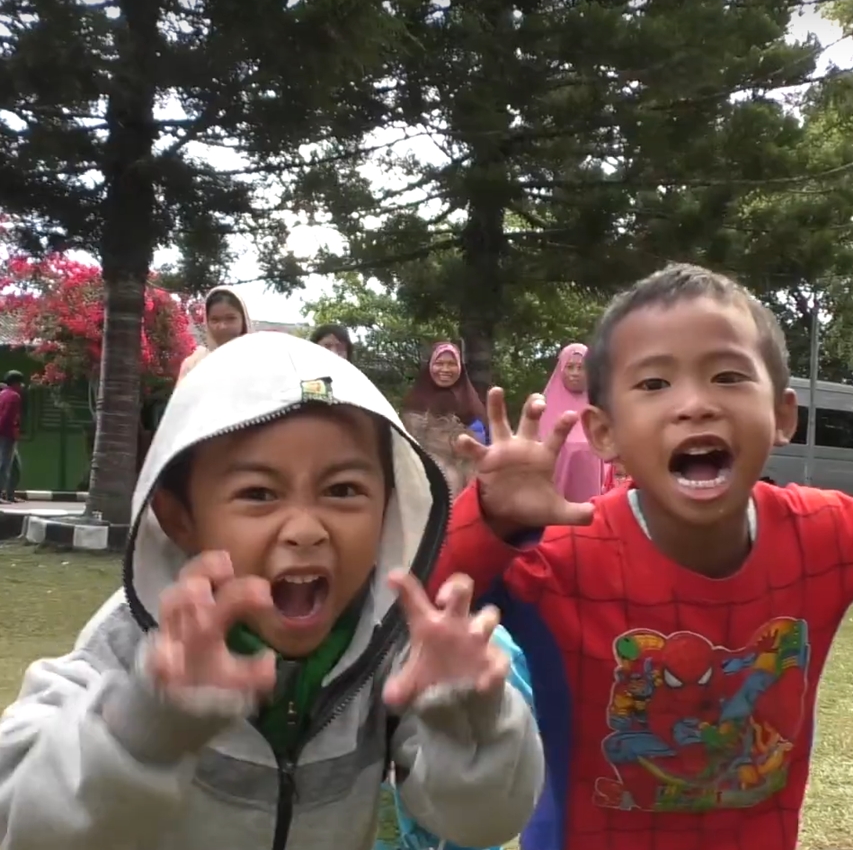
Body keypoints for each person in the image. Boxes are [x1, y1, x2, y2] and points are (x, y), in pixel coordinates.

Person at [433, 263, 853, 850]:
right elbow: (435, 596)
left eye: (728, 376)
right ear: (604, 433)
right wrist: (494, 516)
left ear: (782, 415)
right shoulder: (560, 563)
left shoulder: (820, 533)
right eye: (653, 383)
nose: (694, 403)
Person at [0, 332, 544, 850]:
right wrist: (144, 726)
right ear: (179, 517)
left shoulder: (391, 642)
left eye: (344, 490)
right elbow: (19, 824)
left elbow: (483, 819)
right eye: (259, 493)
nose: (305, 529)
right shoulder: (133, 643)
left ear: (389, 507)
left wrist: (470, 726)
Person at [382, 409, 537, 850]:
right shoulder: (364, 638)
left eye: (448, 517)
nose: (425, 536)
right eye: (408, 513)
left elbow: (510, 778)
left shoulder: (490, 648)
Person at [538, 343, 602, 503]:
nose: (575, 373)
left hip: (593, 503)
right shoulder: (542, 410)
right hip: (551, 503)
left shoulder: (600, 409)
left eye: (581, 368)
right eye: (570, 367)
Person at [403, 342, 488, 445]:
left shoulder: (472, 406)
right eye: (439, 363)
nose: (445, 369)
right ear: (430, 366)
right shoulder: (415, 402)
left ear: (460, 368)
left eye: (452, 364)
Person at [178, 286, 253, 382]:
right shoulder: (194, 365)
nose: (222, 326)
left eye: (230, 318)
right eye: (215, 320)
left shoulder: (258, 362)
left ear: (243, 320)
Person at [0, 371, 23, 503]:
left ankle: (10, 494)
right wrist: (13, 432)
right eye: (20, 383)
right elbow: (8, 417)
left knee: (15, 467)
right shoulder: (14, 396)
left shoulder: (2, 394)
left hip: (5, 433)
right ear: (15, 383)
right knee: (4, 465)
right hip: (7, 434)